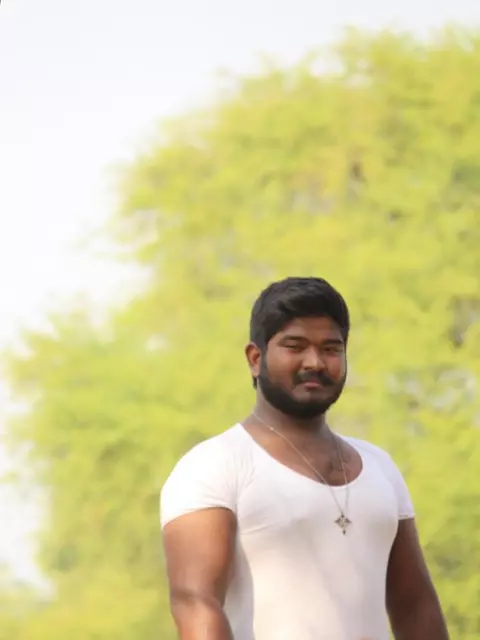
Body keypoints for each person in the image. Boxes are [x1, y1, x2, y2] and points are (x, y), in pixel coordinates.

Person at [160, 276, 449, 639]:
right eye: (295, 346)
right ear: (255, 359)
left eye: (331, 349)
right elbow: (195, 602)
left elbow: (415, 605)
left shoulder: (380, 467)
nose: (315, 362)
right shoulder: (213, 465)